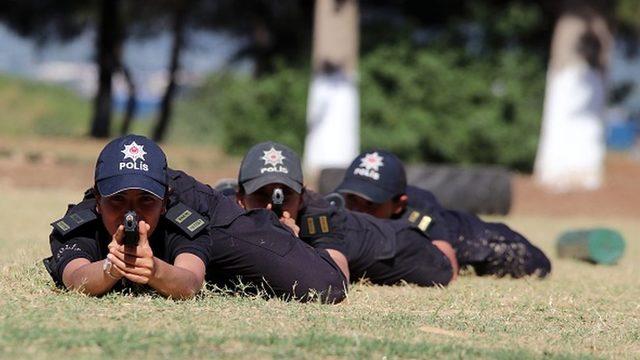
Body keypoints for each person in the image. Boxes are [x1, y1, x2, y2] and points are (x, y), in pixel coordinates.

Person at [44, 135, 347, 303]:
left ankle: (248, 206)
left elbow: (190, 282)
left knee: (324, 285)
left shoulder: (185, 215)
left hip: (210, 209)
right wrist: (112, 268)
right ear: (98, 200)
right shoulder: (81, 222)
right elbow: (75, 277)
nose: (130, 213)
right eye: (118, 200)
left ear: (164, 202)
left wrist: (155, 271)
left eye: (145, 201)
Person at [234, 141, 456, 287]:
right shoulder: (225, 209)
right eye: (260, 195)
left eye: (286, 196)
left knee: (463, 234)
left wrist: (289, 244)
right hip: (374, 233)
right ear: (239, 197)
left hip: (412, 248)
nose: (271, 207)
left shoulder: (321, 218)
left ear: (301, 198)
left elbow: (334, 282)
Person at [335, 150, 551, 278]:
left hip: (472, 240)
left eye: (371, 204)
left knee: (535, 263)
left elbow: (449, 268)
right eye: (353, 200)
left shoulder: (419, 208)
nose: (358, 210)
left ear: (398, 205)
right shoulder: (337, 201)